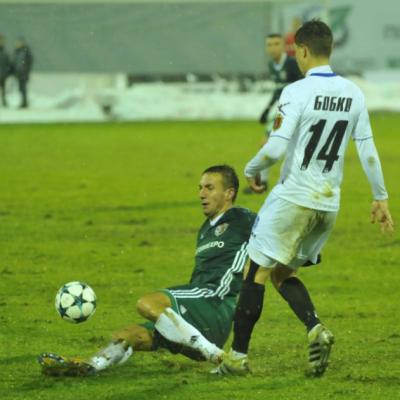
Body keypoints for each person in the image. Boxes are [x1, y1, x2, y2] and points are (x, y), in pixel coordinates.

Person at [215, 20, 394, 377]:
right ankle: (315, 328)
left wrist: (251, 169)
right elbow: (368, 150)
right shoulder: (353, 93)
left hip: (293, 197)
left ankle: (236, 358)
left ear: (303, 51)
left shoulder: (296, 91)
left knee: (255, 271)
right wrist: (380, 196)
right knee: (283, 272)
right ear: (331, 49)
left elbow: (275, 148)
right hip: (327, 205)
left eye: (296, 52)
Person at [38, 165, 257, 376]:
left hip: (215, 301)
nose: (201, 194)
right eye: (200, 188)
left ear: (229, 193)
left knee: (148, 303)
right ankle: (91, 366)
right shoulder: (205, 229)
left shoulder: (242, 218)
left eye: (209, 188)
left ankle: (216, 355)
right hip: (199, 314)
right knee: (127, 335)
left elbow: (271, 234)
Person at [254, 33, 302, 191]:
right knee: (268, 144)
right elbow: (278, 90)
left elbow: (304, 86)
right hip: (282, 111)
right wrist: (267, 110)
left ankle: (270, 182)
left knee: (282, 147)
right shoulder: (272, 66)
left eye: (276, 44)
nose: (273, 48)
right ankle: (265, 182)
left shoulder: (292, 64)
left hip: (295, 112)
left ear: (283, 46)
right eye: (269, 45)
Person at [13, 37, 33, 108]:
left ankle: (25, 102)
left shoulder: (25, 51)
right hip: (18, 73)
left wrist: (26, 69)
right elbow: (15, 62)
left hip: (23, 73)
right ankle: (23, 102)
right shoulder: (17, 51)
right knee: (21, 88)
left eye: (19, 43)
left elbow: (29, 61)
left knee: (23, 88)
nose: (17, 44)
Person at [0, 34, 11, 107]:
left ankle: (4, 101)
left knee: (3, 89)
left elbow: (8, 63)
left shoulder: (5, 52)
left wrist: (8, 72)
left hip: (3, 74)